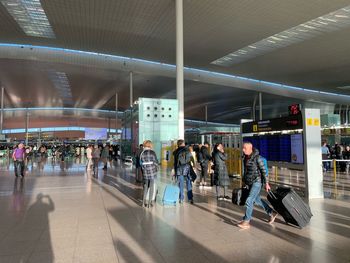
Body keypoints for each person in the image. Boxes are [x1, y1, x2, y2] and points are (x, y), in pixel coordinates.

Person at [238, 142, 277, 230]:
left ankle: (246, 221)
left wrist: (267, 183)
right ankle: (271, 212)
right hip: (249, 182)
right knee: (257, 200)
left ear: (250, 148)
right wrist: (244, 181)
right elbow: (246, 171)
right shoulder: (245, 158)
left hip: (257, 182)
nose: (243, 150)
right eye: (243, 148)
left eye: (245, 148)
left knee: (249, 200)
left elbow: (264, 172)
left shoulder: (258, 158)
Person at [173, 139, 193, 204]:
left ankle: (181, 198)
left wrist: (174, 170)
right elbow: (190, 159)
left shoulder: (176, 151)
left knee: (180, 184)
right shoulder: (187, 150)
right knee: (188, 182)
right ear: (183, 143)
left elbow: (175, 162)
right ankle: (190, 198)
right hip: (187, 168)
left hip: (179, 169)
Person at [140, 140, 159, 208]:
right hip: (152, 172)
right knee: (151, 187)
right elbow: (156, 162)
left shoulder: (142, 153)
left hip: (145, 172)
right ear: (150, 145)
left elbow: (140, 163)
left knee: (145, 187)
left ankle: (143, 202)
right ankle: (149, 203)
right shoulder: (152, 152)